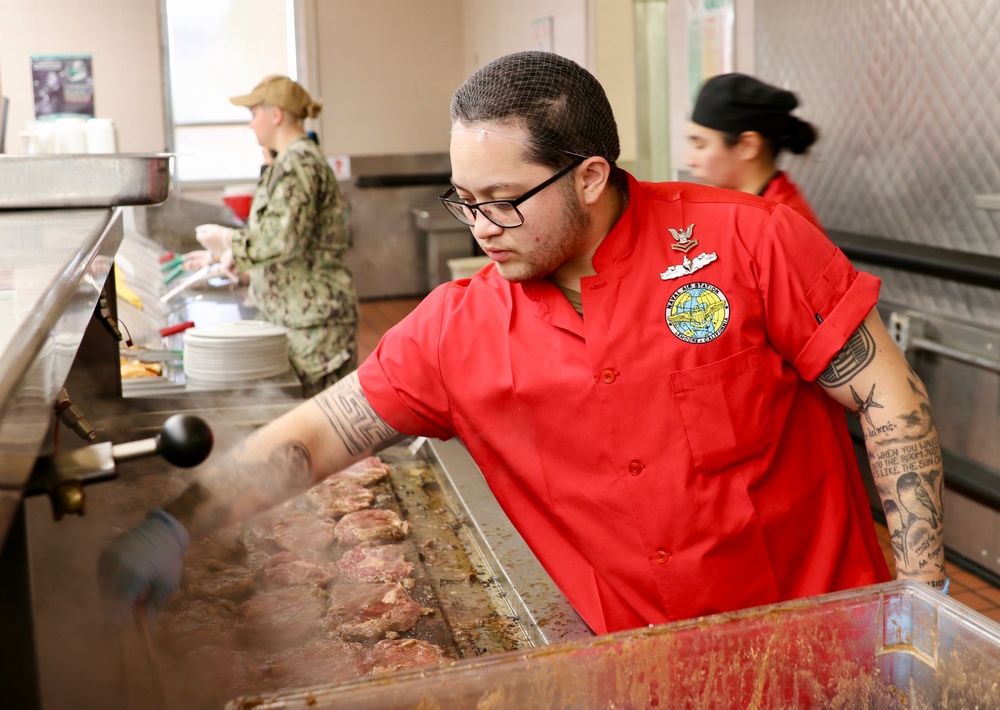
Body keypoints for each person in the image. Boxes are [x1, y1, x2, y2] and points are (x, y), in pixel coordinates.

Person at [100, 52, 946, 636]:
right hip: (646, 671)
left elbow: (888, 395)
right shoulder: (460, 327)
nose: (479, 227)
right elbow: (320, 433)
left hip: (826, 641)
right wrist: (180, 522)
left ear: (588, 174)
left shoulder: (749, 242)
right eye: (462, 198)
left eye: (502, 199)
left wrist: (921, 602)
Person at [184, 75, 359, 399]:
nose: (251, 125)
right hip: (299, 316)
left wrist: (229, 242)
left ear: (275, 114)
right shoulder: (290, 161)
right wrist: (246, 263)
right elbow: (292, 241)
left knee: (325, 429)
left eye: (254, 115)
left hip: (314, 322)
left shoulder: (297, 162)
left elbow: (282, 239)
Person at [686, 72, 824, 229]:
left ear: (748, 145)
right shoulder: (739, 207)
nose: (689, 161)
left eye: (700, 146)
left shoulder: (786, 226)